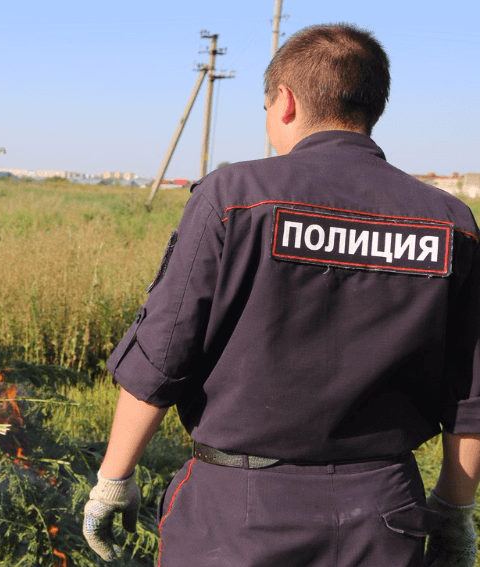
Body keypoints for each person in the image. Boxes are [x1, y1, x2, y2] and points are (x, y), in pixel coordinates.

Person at [83, 23, 480, 566]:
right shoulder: (450, 223)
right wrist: (455, 512)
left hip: (237, 517)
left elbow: (162, 351)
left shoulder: (234, 197)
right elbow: (470, 392)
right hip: (383, 515)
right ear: (371, 106)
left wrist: (114, 477)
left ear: (285, 102)